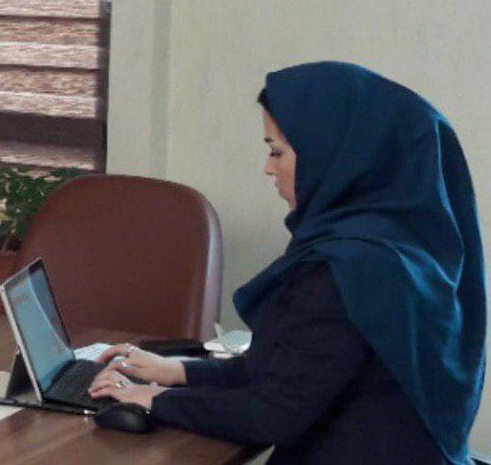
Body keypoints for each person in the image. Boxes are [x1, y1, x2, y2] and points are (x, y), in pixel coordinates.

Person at [88, 61, 485, 464]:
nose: (268, 167)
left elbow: (272, 413)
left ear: (333, 156)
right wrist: (174, 371)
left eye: (277, 151)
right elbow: (284, 370)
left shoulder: (350, 268)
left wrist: (151, 399)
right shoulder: (396, 245)